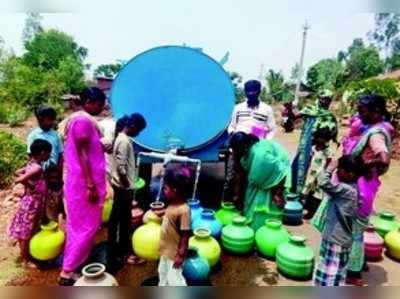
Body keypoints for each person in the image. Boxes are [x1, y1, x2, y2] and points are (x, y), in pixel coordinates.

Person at [342, 94, 394, 286]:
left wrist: (361, 163)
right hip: (367, 184)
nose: (359, 114)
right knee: (359, 226)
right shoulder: (377, 128)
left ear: (376, 112)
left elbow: (384, 158)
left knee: (354, 229)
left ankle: (353, 273)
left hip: (362, 186)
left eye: (362, 111)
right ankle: (360, 261)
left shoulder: (376, 134)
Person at [59, 87, 108, 286]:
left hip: (83, 182)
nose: (103, 107)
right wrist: (89, 184)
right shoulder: (82, 121)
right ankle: (67, 271)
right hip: (83, 184)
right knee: (85, 227)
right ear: (89, 102)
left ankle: (72, 264)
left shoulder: (81, 120)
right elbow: (82, 154)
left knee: (80, 226)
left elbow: (87, 149)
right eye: (100, 103)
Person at [224, 80, 277, 202]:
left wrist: (264, 143)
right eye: (248, 91)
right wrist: (234, 135)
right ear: (245, 92)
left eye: (254, 91)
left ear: (259, 92)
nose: (251, 93)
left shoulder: (266, 109)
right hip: (237, 148)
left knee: (252, 178)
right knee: (232, 177)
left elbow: (272, 129)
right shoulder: (238, 108)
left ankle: (247, 205)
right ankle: (228, 203)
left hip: (256, 149)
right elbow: (231, 126)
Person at [107, 113, 147, 273]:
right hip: (122, 187)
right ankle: (122, 254)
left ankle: (118, 251)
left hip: (120, 186)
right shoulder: (123, 141)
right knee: (122, 220)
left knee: (119, 218)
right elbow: (121, 167)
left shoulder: (121, 138)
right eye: (139, 130)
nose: (138, 134)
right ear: (133, 126)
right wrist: (126, 186)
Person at [313, 156, 362, 286]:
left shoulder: (347, 190)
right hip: (337, 238)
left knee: (329, 276)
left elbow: (323, 183)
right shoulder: (352, 188)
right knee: (333, 274)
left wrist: (329, 169)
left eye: (339, 170)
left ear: (350, 174)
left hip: (336, 240)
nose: (336, 172)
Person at [228, 132, 291, 229]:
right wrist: (237, 195)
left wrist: (278, 194)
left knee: (263, 199)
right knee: (250, 194)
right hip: (265, 167)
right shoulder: (242, 153)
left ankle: (262, 227)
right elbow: (239, 174)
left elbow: (281, 171)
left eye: (235, 151)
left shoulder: (260, 155)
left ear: (244, 148)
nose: (234, 153)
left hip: (276, 169)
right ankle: (251, 222)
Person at [7, 139, 52, 268]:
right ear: (43, 153)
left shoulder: (31, 164)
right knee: (26, 232)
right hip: (32, 204)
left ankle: (26, 254)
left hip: (30, 202)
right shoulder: (37, 168)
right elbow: (19, 179)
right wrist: (30, 185)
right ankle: (25, 260)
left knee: (27, 230)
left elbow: (17, 173)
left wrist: (30, 183)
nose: (49, 156)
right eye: (49, 153)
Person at [291, 92, 338, 195]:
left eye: (328, 99)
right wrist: (293, 106)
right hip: (307, 145)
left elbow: (333, 133)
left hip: (322, 148)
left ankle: (310, 196)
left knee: (318, 170)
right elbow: (296, 115)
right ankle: (297, 192)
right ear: (319, 98)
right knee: (301, 165)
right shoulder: (310, 109)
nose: (325, 101)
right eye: (323, 99)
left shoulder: (330, 116)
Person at [158, 166, 192, 286]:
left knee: (175, 280)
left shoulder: (184, 210)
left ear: (175, 190)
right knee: (162, 273)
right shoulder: (172, 204)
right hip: (166, 250)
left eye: (166, 188)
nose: (163, 190)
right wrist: (163, 214)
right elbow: (171, 220)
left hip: (174, 253)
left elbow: (185, 235)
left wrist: (180, 255)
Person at [302, 127, 334, 220]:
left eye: (323, 138)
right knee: (308, 190)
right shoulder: (313, 148)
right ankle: (307, 208)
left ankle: (313, 212)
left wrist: (326, 174)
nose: (320, 140)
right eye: (319, 138)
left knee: (318, 194)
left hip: (321, 174)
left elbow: (328, 163)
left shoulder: (328, 151)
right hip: (311, 173)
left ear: (327, 140)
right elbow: (309, 160)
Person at [27, 106, 63, 170]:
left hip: (54, 171)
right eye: (49, 120)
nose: (52, 122)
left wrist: (59, 169)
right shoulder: (33, 135)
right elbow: (30, 155)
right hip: (39, 171)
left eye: (53, 120)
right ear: (40, 119)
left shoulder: (56, 135)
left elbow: (60, 154)